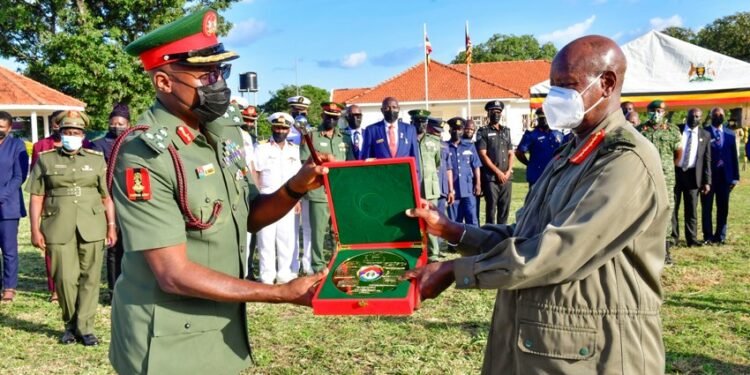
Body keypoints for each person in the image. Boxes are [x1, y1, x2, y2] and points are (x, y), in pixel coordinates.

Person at [404, 35, 668, 374]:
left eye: (566, 86)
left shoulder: (625, 159)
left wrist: (456, 271)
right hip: (544, 341)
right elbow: (527, 235)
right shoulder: (573, 151)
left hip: (596, 351)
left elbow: (558, 250)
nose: (555, 98)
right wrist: (453, 230)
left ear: (606, 83)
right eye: (553, 86)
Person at [109, 9, 330, 374]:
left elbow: (248, 217)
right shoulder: (144, 154)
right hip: (168, 338)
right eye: (205, 74)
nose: (218, 83)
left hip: (221, 325)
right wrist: (279, 292)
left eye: (221, 71)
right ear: (163, 82)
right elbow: (172, 273)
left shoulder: (221, 130)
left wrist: (295, 187)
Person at [27, 110, 116, 346]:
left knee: (90, 278)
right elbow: (36, 196)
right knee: (65, 278)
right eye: (67, 132)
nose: (71, 136)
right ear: (60, 132)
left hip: (92, 224)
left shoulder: (96, 159)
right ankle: (69, 324)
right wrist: (35, 229)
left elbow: (107, 197)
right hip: (57, 224)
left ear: (83, 135)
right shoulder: (46, 159)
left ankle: (85, 328)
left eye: (76, 132)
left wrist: (111, 226)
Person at [31, 110, 92, 302]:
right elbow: (37, 184)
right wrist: (35, 225)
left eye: (75, 131)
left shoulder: (89, 150)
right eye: (61, 126)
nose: (68, 134)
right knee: (55, 252)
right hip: (52, 204)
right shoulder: (42, 148)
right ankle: (56, 289)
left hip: (81, 208)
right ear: (56, 126)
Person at [300, 102, 354, 274]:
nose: (331, 120)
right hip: (319, 192)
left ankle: (339, 263)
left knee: (339, 232)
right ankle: (318, 267)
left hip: (340, 193)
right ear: (322, 116)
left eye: (335, 117)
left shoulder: (345, 138)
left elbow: (351, 164)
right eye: (328, 116)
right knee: (318, 233)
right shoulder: (312, 137)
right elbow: (304, 164)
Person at [254, 113, 302, 284]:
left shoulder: (294, 150)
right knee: (266, 238)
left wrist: (297, 200)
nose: (280, 130)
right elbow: (256, 173)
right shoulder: (261, 148)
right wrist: (257, 197)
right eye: (277, 127)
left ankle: (284, 274)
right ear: (271, 128)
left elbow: (298, 178)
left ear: (289, 130)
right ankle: (266, 276)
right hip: (266, 196)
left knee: (286, 238)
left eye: (283, 128)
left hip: (287, 199)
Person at [91, 103, 131, 294]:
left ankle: (132, 285)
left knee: (132, 246)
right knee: (114, 246)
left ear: (128, 124)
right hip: (108, 199)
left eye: (121, 123)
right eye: (114, 123)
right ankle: (114, 289)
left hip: (132, 200)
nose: (117, 126)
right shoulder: (97, 145)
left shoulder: (134, 142)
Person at [637, 99, 682, 261]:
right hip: (645, 177)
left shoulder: (673, 131)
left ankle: (666, 250)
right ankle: (646, 248)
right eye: (652, 110)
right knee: (646, 209)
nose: (655, 113)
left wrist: (667, 168)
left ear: (665, 113)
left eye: (659, 111)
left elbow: (678, 155)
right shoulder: (640, 131)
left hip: (666, 178)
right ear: (647, 111)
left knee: (666, 210)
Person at [0, 111, 29, 302]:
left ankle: (9, 287)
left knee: (9, 249)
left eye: (1, 127)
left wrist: (1, 195)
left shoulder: (17, 145)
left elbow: (20, 176)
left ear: (10, 128)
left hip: (7, 206)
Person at [672, 108, 711, 249]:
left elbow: (707, 160)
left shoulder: (705, 135)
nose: (695, 119)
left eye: (698, 117)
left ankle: (692, 239)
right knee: (673, 208)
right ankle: (673, 238)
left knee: (691, 210)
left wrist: (707, 181)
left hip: (693, 176)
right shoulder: (676, 129)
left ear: (701, 119)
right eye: (692, 116)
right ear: (687, 116)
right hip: (676, 173)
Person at [702, 107, 740, 245]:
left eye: (721, 114)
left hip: (725, 177)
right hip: (709, 177)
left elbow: (734, 157)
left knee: (723, 208)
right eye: (715, 114)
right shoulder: (704, 132)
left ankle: (721, 236)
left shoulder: (730, 134)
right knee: (707, 207)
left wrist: (735, 177)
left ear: (724, 116)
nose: (718, 116)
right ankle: (708, 236)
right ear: (711, 116)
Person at [360, 97, 421, 177]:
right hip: (381, 178)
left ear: (398, 109)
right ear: (382, 110)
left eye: (394, 107)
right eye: (387, 108)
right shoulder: (372, 130)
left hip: (404, 178)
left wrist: (417, 183)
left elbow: (415, 158)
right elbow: (367, 159)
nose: (391, 110)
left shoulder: (410, 129)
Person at [476, 100, 513, 224]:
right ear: (488, 113)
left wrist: (508, 172)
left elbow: (510, 153)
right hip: (491, 177)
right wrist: (498, 172)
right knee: (491, 209)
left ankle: (502, 235)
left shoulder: (506, 131)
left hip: (506, 177)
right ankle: (490, 236)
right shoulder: (483, 131)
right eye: (493, 112)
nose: (496, 114)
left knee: (504, 209)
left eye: (498, 112)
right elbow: (483, 154)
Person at [418, 116, 444, 262]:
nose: (420, 125)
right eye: (417, 122)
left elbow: (437, 161)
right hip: (415, 185)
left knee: (432, 220)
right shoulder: (410, 140)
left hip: (430, 186)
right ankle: (420, 251)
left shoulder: (433, 141)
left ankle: (434, 253)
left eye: (423, 122)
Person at [514, 108, 563, 187]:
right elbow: (519, 152)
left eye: (546, 118)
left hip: (555, 175)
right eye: (542, 118)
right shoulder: (532, 134)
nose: (544, 121)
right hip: (537, 176)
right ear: (538, 119)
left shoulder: (558, 134)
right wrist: (529, 164)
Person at [445, 117, 481, 226]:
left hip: (468, 189)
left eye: (459, 129)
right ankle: (455, 243)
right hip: (452, 190)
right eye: (454, 129)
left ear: (463, 130)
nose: (457, 132)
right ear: (449, 130)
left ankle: (475, 242)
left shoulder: (469, 146)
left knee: (472, 219)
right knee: (455, 221)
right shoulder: (444, 147)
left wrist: (478, 184)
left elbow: (476, 165)